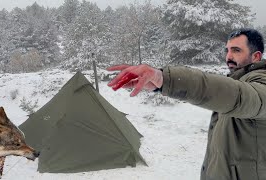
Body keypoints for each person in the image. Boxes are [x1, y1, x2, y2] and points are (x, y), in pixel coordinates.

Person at [107, 28, 266, 180]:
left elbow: (237, 96)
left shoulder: (259, 86)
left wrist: (164, 79)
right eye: (227, 50)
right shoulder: (237, 81)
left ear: (256, 56)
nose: (228, 56)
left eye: (236, 50)